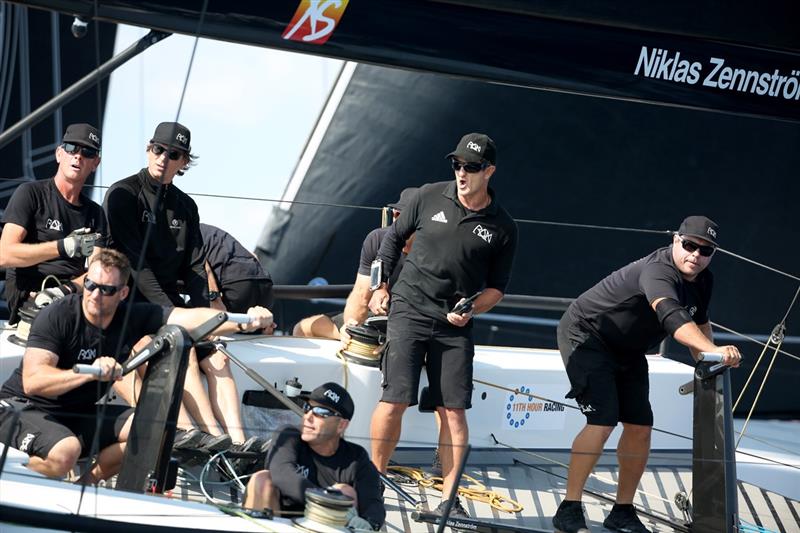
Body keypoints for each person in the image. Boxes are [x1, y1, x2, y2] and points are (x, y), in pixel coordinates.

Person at [0, 249, 272, 484]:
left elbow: (189, 317)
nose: (95, 295)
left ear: (123, 293)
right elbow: (33, 382)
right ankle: (13, 480)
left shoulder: (131, 316)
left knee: (154, 428)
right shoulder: (58, 315)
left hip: (77, 414)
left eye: (106, 290)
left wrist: (243, 321)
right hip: (21, 406)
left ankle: (84, 486)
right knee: (67, 451)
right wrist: (86, 373)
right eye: (91, 286)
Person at [551, 216, 742, 533]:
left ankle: (622, 511)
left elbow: (700, 321)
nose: (696, 255)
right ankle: (569, 507)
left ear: (712, 254)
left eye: (705, 250)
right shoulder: (658, 270)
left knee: (640, 426)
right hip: (587, 335)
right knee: (603, 421)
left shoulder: (703, 280)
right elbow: (672, 316)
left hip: (628, 349)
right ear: (676, 241)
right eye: (690, 245)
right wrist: (717, 350)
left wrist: (709, 356)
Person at [368, 133, 518, 518]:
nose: (461, 173)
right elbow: (391, 240)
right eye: (457, 165)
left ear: (490, 172)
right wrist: (379, 287)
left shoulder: (504, 227)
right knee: (395, 399)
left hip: (455, 326)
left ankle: (449, 502)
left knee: (454, 412)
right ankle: (371, 484)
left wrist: (472, 309)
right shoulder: (427, 195)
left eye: (470, 167)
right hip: (409, 309)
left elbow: (497, 289)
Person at [102, 122, 246, 450]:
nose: (164, 158)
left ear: (184, 162)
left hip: (173, 307)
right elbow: (137, 265)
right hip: (133, 306)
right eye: (158, 149)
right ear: (148, 149)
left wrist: (202, 317)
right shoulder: (122, 194)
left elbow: (196, 267)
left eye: (174, 154)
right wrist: (176, 313)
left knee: (219, 360)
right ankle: (213, 441)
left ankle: (239, 445)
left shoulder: (186, 206)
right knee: (185, 357)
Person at [0, 123, 106, 325]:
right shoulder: (30, 193)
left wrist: (64, 290)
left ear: (96, 163)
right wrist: (62, 247)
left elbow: (97, 273)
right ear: (59, 154)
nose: (78, 156)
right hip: (29, 302)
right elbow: (3, 255)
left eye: (87, 152)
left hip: (72, 300)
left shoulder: (95, 213)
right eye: (71, 148)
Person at [244, 382, 385, 531]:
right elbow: (281, 473)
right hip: (279, 523)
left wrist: (370, 523)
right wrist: (326, 502)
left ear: (341, 425)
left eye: (320, 412)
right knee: (262, 479)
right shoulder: (288, 436)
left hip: (324, 527)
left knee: (345, 492)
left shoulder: (356, 458)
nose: (308, 417)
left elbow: (373, 502)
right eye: (307, 408)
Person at [292, 187, 417, 341]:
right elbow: (361, 295)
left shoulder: (439, 248)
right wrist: (350, 327)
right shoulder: (377, 239)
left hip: (411, 327)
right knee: (303, 329)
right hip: (380, 319)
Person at [200, 222, 275, 316]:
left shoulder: (184, 233)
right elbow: (253, 256)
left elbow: (201, 264)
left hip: (236, 288)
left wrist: (214, 299)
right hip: (264, 284)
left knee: (184, 320)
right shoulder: (211, 232)